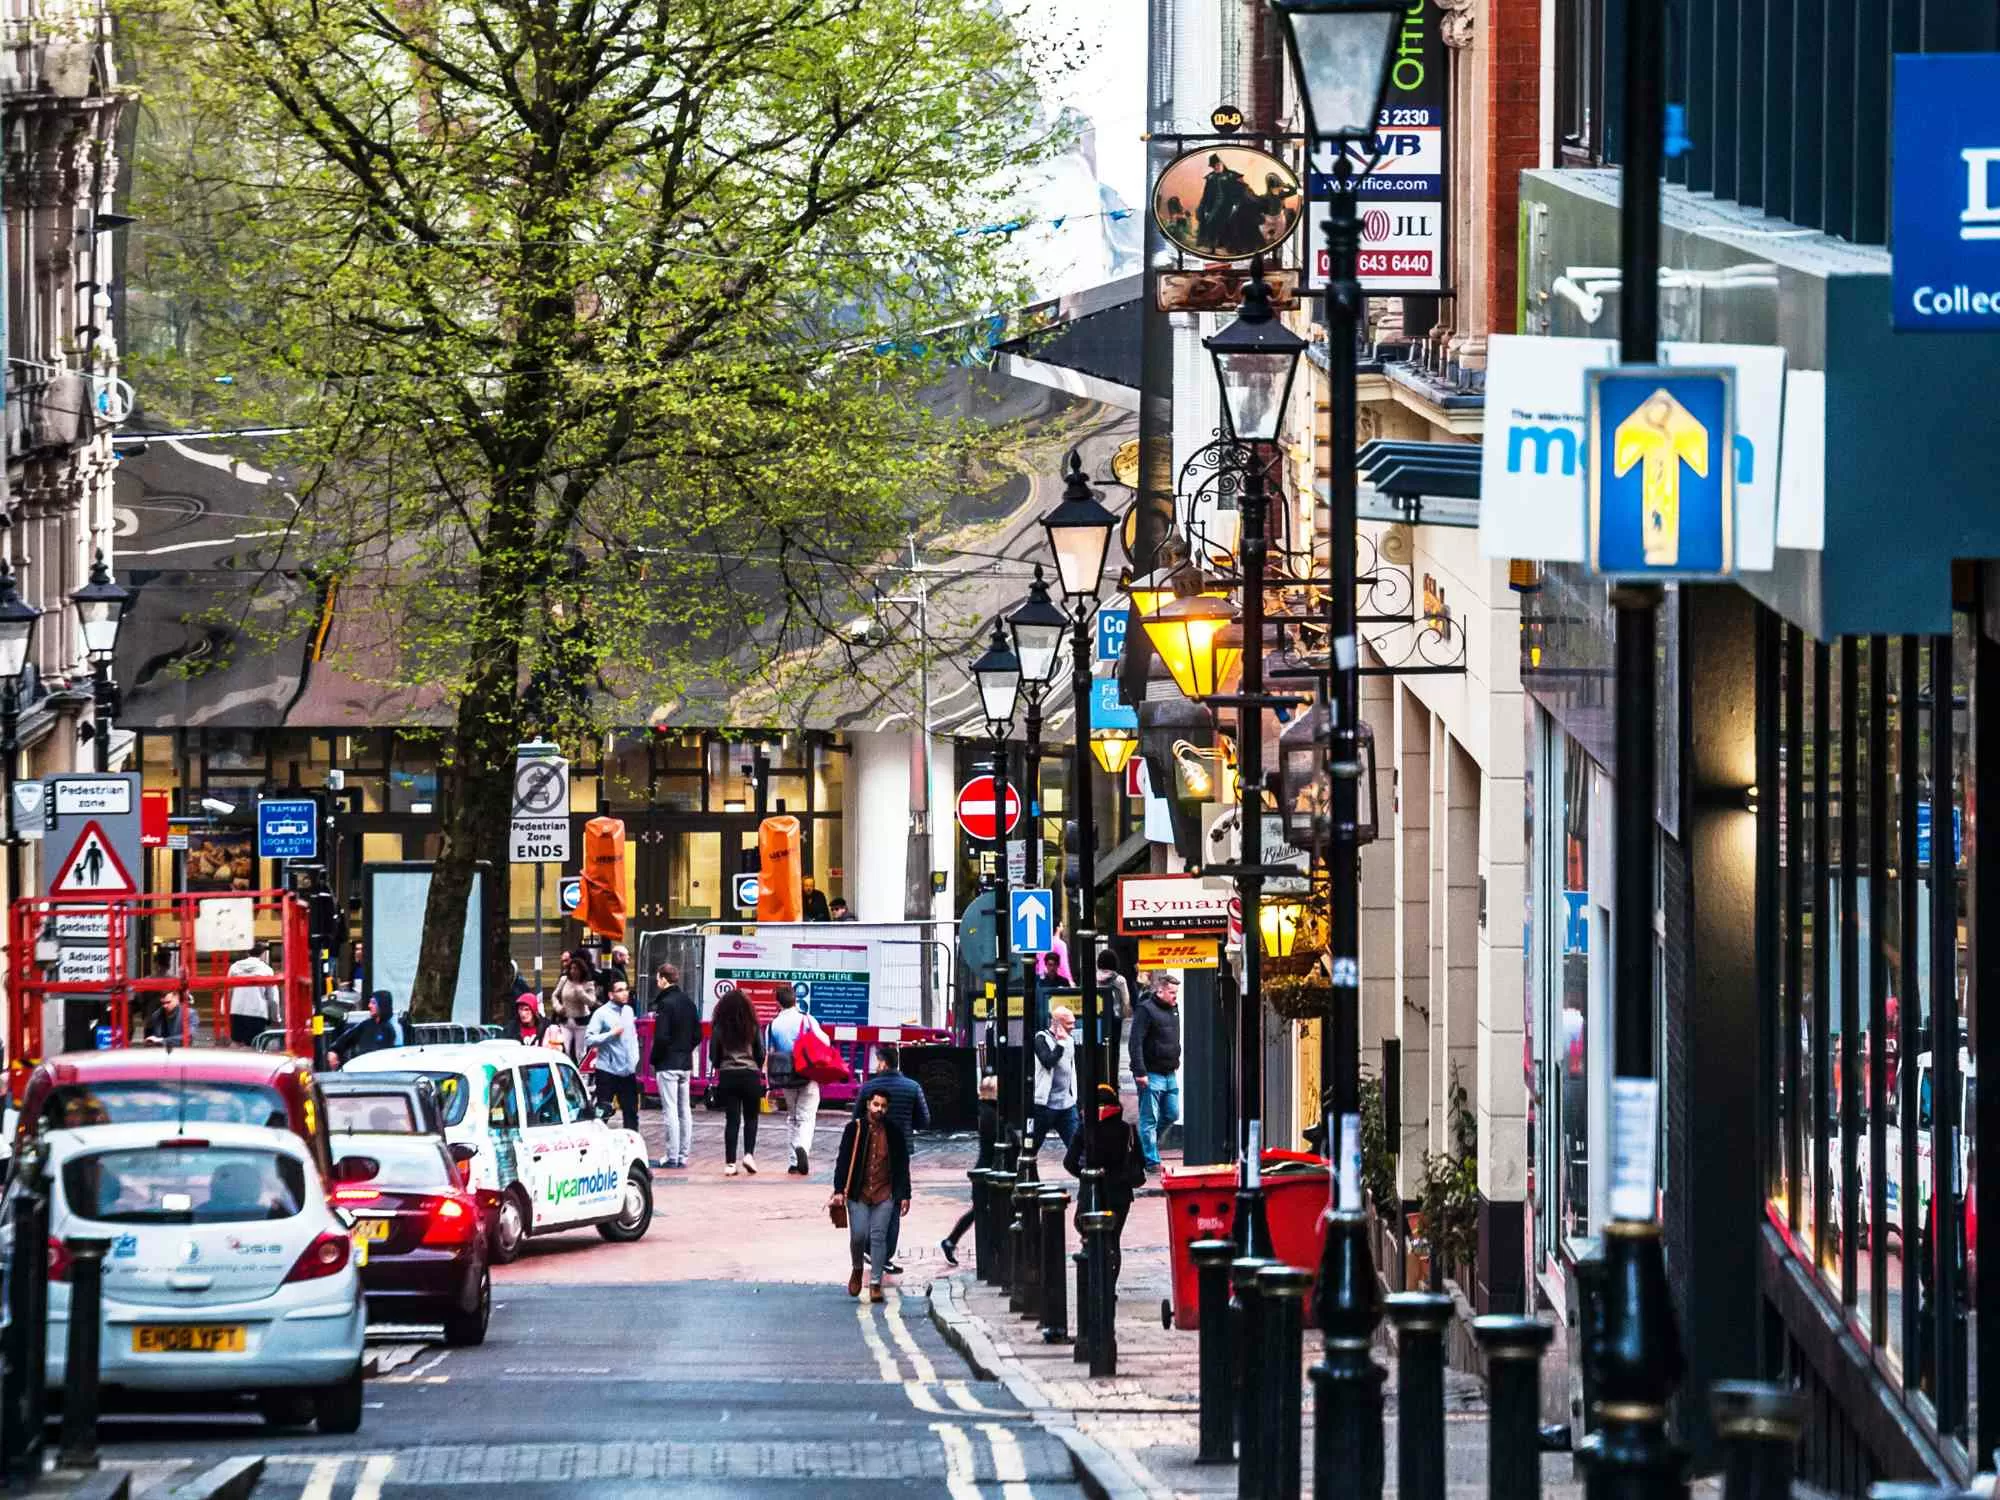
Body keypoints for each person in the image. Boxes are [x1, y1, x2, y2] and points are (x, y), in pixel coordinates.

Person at [830, 1088, 910, 1302]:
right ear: (867, 1105)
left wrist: (904, 1194)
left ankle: (875, 1282)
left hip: (885, 1193)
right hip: (858, 1193)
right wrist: (838, 1190)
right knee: (858, 1236)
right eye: (876, 1105)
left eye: (883, 1106)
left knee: (878, 1236)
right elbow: (842, 1161)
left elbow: (903, 1165)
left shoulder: (894, 1132)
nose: (879, 1109)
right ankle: (857, 1269)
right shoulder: (854, 1129)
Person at [857, 1045, 929, 1272]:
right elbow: (924, 1120)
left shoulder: (869, 1088)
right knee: (895, 1201)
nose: (875, 1066)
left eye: (877, 1061)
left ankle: (869, 1246)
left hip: (872, 1148)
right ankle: (885, 1253)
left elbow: (857, 1117)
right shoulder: (912, 1087)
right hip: (900, 1151)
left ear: (884, 1063)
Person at [1065, 1082, 1143, 1286]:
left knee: (1091, 1235)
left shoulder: (1086, 1128)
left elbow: (1069, 1162)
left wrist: (1085, 1176)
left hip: (1093, 1191)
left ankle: (1096, 1282)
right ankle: (1109, 1285)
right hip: (1120, 1193)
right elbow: (1140, 1159)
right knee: (1113, 1239)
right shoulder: (1127, 1129)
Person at [767, 982, 829, 1175]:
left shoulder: (772, 1025)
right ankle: (802, 1146)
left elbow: (769, 1053)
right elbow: (824, 1041)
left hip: (785, 1076)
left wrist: (769, 1085)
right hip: (807, 1074)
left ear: (778, 1003)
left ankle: (793, 1161)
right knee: (807, 1117)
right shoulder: (807, 1020)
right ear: (795, 1000)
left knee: (792, 1117)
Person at [939, 1073, 1000, 1266]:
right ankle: (992, 1254)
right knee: (984, 1211)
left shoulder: (987, 1112)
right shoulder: (990, 1115)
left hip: (988, 1167)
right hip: (988, 1169)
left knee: (981, 1211)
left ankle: (951, 1241)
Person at [1129, 971, 1184, 1174]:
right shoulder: (1146, 1010)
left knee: (1171, 1113)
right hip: (1151, 1072)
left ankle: (1144, 1147)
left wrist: (1175, 1059)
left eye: (1176, 993)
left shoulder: (1173, 1008)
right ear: (1160, 991)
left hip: (1169, 1072)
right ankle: (1151, 1160)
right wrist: (1140, 1071)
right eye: (1171, 993)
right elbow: (1135, 1042)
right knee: (1149, 1118)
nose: (1175, 997)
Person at [709, 986, 766, 1175]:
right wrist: (755, 1065)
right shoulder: (753, 1026)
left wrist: (721, 1064)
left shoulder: (719, 1028)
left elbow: (713, 1056)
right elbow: (760, 1053)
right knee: (751, 1118)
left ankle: (730, 1163)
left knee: (732, 1119)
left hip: (728, 1076)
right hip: (750, 1075)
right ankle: (749, 1154)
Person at [649, 963, 700, 1169]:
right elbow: (697, 1034)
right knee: (684, 1109)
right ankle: (683, 1155)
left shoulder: (665, 1004)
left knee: (670, 1110)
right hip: (685, 1062)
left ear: (663, 979)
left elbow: (661, 1036)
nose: (656, 981)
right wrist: (685, 1048)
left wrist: (655, 1059)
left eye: (658, 977)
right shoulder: (688, 1002)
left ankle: (672, 1155)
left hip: (668, 1063)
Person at [586, 978, 641, 1131]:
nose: (625, 993)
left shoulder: (629, 1011)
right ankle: (596, 1141)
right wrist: (610, 1034)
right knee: (603, 1111)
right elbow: (589, 1039)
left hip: (627, 1071)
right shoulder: (601, 1013)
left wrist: (635, 1058)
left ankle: (632, 1145)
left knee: (631, 1112)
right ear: (611, 995)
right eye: (620, 990)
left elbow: (633, 1036)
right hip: (607, 1070)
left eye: (626, 989)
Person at [1029, 1005, 1079, 1154]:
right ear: (1056, 1023)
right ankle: (1024, 1171)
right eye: (1069, 1023)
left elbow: (1071, 1070)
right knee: (1032, 1146)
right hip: (1045, 1105)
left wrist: (1075, 1096)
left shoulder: (1070, 1040)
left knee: (1077, 1147)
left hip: (1066, 1104)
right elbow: (1048, 1061)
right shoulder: (1041, 1038)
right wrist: (1061, 1043)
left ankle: (1083, 1174)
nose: (1073, 1026)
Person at [226, 944, 278, 1047]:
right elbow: (272, 998)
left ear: (248, 953)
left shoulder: (234, 967)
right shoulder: (267, 970)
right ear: (263, 954)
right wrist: (275, 1017)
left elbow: (228, 991)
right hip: (257, 1013)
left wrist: (227, 1010)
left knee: (236, 1043)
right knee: (255, 1044)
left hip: (237, 1011)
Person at [331, 990, 401, 1066]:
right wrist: (334, 1051)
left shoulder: (394, 1028)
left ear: (382, 1005)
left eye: (373, 1003)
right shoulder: (366, 1024)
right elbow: (346, 1038)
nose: (369, 1006)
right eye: (370, 1002)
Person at [551, 956, 597, 1064]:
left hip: (581, 1022)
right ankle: (565, 1074)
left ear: (581, 970)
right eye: (571, 968)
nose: (573, 971)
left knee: (580, 1053)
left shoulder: (588, 984)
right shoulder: (564, 980)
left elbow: (591, 1002)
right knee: (564, 1050)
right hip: (565, 1020)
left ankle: (582, 1076)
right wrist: (558, 1007)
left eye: (576, 969)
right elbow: (554, 995)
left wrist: (581, 992)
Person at [1096, 948, 1132, 1074]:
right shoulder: (1120, 980)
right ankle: (1113, 1078)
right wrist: (1125, 1014)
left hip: (1097, 1019)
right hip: (1115, 1019)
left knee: (1098, 1048)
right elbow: (1126, 1001)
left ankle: (1099, 1076)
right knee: (1115, 1049)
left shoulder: (1093, 977)